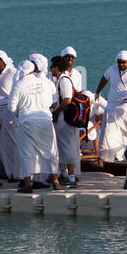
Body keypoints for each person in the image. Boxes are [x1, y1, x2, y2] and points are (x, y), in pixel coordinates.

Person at [8, 53, 60, 192]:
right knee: (51, 151)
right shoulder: (47, 82)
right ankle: (55, 181)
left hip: (27, 121)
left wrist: (20, 112)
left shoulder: (19, 84)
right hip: (45, 120)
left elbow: (11, 107)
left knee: (26, 153)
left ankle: (27, 184)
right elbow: (53, 102)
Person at [94, 51, 127, 163]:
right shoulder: (112, 69)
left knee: (125, 135)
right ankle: (102, 158)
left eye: (123, 62)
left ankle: (121, 158)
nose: (121, 64)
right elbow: (104, 79)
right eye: (119, 62)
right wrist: (98, 91)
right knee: (106, 132)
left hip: (126, 109)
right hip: (112, 106)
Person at [51, 55, 81, 188]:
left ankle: (72, 177)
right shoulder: (59, 80)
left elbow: (67, 100)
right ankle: (64, 175)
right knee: (62, 147)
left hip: (65, 119)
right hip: (62, 119)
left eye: (51, 66)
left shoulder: (64, 80)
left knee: (67, 147)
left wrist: (56, 111)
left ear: (57, 67)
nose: (50, 69)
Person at [0, 50, 18, 182]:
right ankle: (3, 171)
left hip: (8, 110)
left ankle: (14, 172)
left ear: (1, 60)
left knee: (10, 142)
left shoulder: (12, 73)